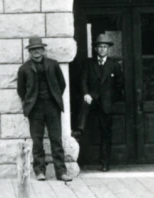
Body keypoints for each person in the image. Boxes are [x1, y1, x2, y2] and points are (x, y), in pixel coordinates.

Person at [16, 36, 72, 182]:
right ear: (29, 52)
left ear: (43, 50)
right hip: (35, 109)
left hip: (52, 106)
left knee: (56, 139)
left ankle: (61, 172)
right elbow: (21, 90)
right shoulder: (24, 69)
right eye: (33, 50)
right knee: (37, 141)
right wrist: (30, 102)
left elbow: (62, 84)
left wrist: (54, 97)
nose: (36, 52)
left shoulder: (53, 65)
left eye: (39, 49)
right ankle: (40, 171)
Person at [77, 33, 123, 172]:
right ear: (96, 49)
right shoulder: (89, 63)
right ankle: (79, 131)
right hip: (91, 100)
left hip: (106, 104)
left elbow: (119, 85)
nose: (102, 49)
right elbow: (83, 80)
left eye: (105, 47)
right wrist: (86, 94)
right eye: (100, 47)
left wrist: (111, 99)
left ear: (108, 49)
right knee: (86, 128)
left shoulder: (114, 65)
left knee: (105, 133)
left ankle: (105, 163)